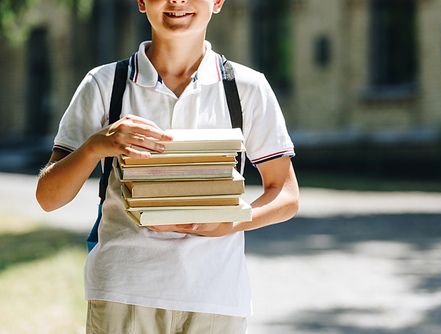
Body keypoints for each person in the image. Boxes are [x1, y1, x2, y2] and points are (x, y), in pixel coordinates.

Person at [36, 0, 299, 332]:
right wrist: (95, 146)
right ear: (142, 2)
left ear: (217, 2)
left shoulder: (246, 88)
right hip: (122, 292)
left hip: (215, 298)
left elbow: (286, 194)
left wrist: (228, 224)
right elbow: (48, 198)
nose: (178, 1)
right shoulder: (105, 84)